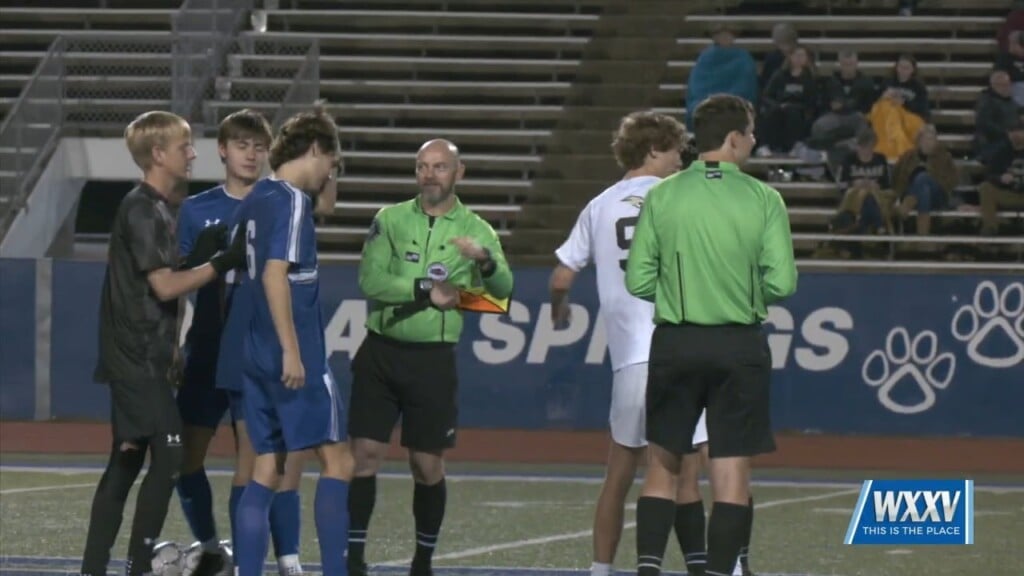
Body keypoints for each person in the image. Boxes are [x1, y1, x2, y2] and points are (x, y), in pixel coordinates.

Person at [625, 94, 797, 576]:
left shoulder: (662, 194)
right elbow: (783, 282)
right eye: (751, 133)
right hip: (738, 345)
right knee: (730, 475)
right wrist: (744, 293)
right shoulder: (764, 198)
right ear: (734, 139)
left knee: (662, 467)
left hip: (676, 342)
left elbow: (638, 280)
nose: (754, 141)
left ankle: (648, 571)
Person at [81, 111, 244, 576]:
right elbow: (166, 287)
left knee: (128, 459)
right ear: (158, 155)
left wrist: (197, 254)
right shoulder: (141, 207)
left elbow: (162, 272)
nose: (192, 154)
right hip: (137, 356)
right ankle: (137, 566)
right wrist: (219, 261)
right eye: (184, 147)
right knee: (171, 453)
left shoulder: (154, 207)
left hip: (141, 356)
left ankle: (93, 568)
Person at [346, 139, 514, 576]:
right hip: (381, 352)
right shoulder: (390, 219)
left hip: (432, 361)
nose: (429, 174)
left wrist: (487, 264)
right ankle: (353, 557)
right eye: (422, 166)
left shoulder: (477, 230)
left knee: (425, 465)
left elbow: (502, 294)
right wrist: (424, 289)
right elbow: (370, 280)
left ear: (459, 172)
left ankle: (423, 561)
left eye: (439, 167)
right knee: (363, 455)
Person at [174, 109, 307, 576]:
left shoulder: (282, 203)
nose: (250, 155)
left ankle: (248, 561)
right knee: (185, 456)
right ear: (223, 150)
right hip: (208, 342)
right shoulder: (196, 209)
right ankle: (211, 546)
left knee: (251, 459)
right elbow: (177, 282)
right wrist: (174, 343)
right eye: (242, 145)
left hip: (257, 344)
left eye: (258, 147)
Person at [230, 110, 351, 576]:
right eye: (330, 161)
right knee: (338, 459)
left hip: (254, 350)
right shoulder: (293, 202)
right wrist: (292, 350)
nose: (329, 172)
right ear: (316, 150)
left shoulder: (258, 194)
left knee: (267, 467)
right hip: (292, 349)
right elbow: (274, 273)